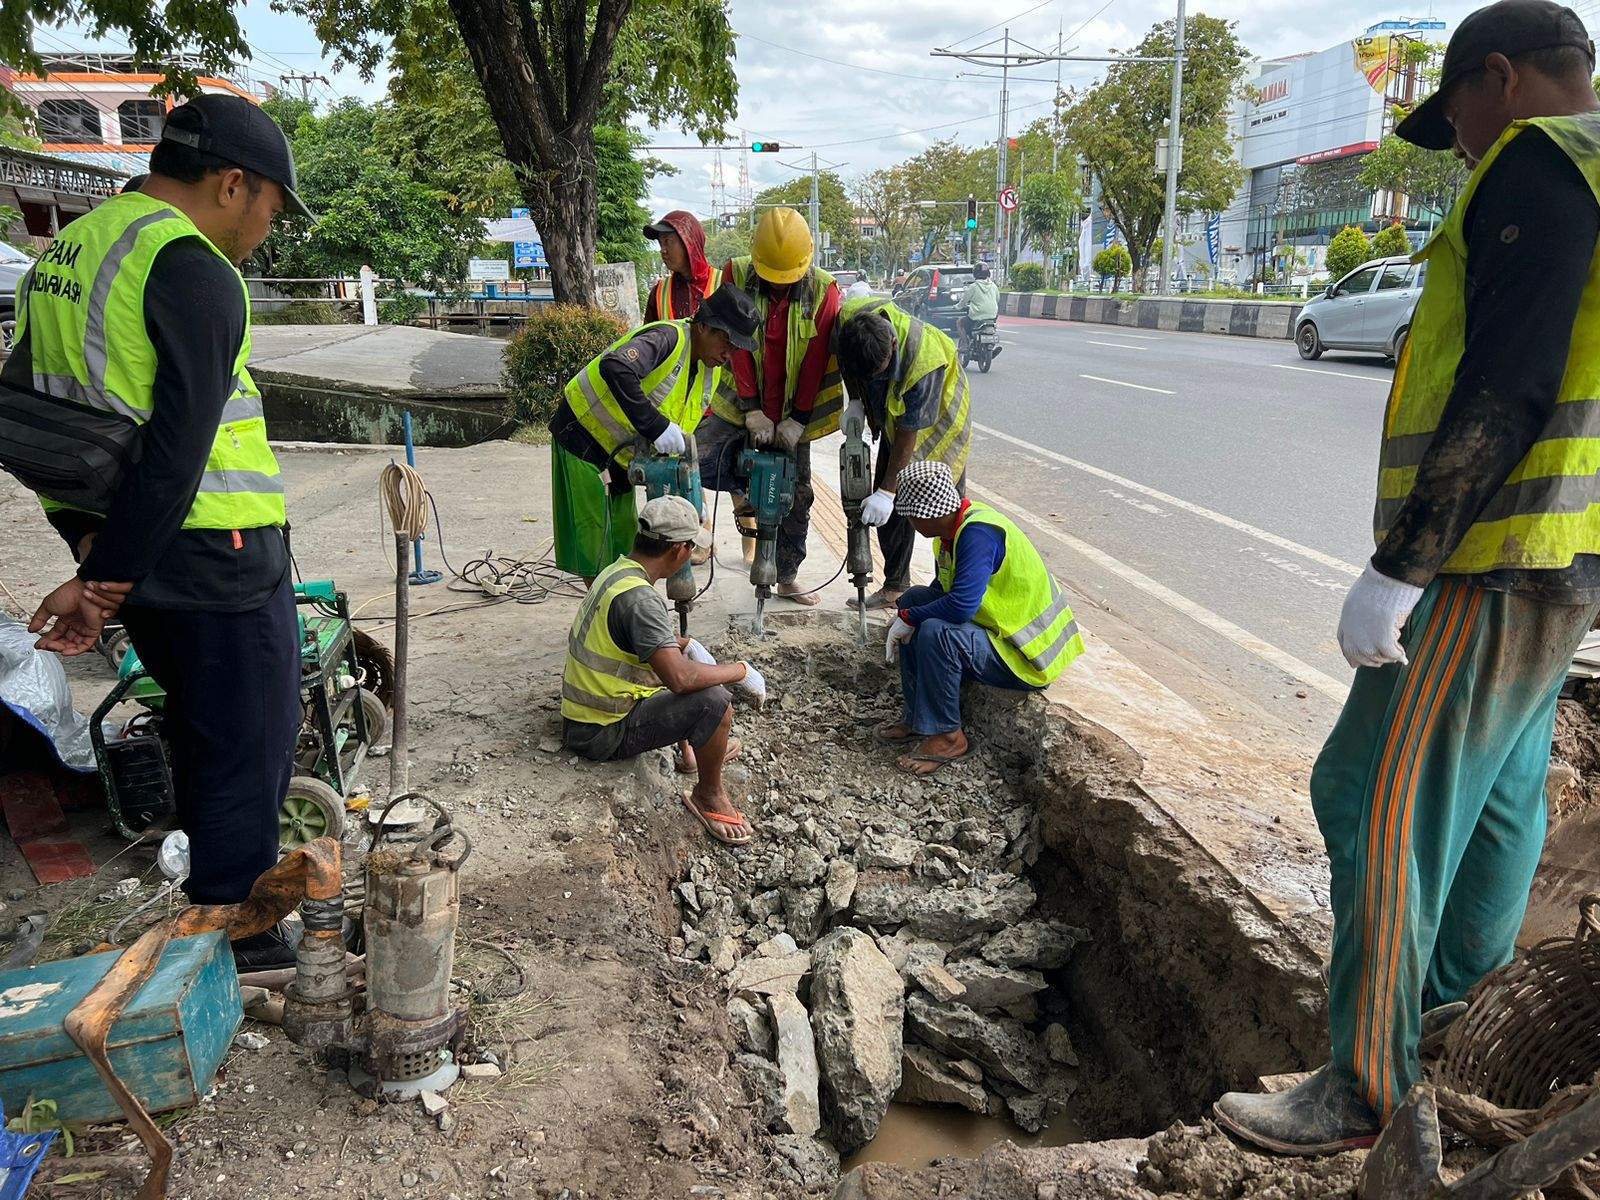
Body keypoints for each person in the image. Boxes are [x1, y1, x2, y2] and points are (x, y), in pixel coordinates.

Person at [1213, 0, 1600, 1155]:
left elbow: (1508, 382)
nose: (1464, 149)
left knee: (1368, 793)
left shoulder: (1537, 164)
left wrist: (1401, 565)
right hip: (1568, 553)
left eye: (1461, 121)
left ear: (1499, 79)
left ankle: (1368, 1088)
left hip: (1491, 556)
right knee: (1498, 795)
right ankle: (1451, 1032)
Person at [14, 94, 314, 970]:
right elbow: (180, 451)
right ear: (232, 184)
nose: (265, 229)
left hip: (136, 552)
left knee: (201, 729)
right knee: (249, 738)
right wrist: (103, 580)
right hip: (217, 551)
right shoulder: (190, 267)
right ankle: (245, 943)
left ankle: (222, 915)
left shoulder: (68, 254)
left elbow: (36, 428)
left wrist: (92, 557)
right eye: (271, 209)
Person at [562, 495, 767, 845]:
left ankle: (694, 754)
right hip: (600, 733)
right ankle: (708, 795)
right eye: (691, 547)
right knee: (715, 701)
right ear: (677, 550)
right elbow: (681, 679)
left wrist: (684, 644)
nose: (691, 554)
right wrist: (740, 670)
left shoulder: (617, 572)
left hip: (584, 717)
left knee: (681, 662)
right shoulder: (641, 601)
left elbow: (641, 645)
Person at [877, 462, 1083, 776]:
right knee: (915, 597)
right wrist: (910, 610)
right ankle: (918, 719)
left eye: (911, 516)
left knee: (936, 631)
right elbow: (943, 591)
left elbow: (960, 608)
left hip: (1027, 656)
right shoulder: (950, 533)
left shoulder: (978, 535)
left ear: (927, 514)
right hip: (1000, 635)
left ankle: (949, 737)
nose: (910, 523)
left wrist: (909, 617)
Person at [549, 283, 760, 582]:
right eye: (725, 341)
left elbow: (679, 439)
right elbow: (616, 366)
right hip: (583, 436)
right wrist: (655, 425)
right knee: (595, 545)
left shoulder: (708, 372)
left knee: (623, 543)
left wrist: (689, 498)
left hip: (620, 457)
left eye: (735, 348)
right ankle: (607, 607)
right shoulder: (667, 338)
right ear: (703, 326)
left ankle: (620, 602)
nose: (728, 354)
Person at [696, 207, 844, 605]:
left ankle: (786, 575)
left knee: (796, 495)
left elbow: (816, 361)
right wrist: (751, 407)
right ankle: (742, 501)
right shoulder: (737, 273)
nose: (778, 285)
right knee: (700, 459)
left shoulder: (824, 291)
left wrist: (798, 418)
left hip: (795, 410)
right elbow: (737, 343)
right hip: (743, 406)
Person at [834, 296, 973, 610]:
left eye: (878, 372)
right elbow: (846, 363)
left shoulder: (925, 361)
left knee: (944, 512)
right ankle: (895, 587)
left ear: (894, 346)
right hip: (896, 415)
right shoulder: (848, 323)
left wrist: (887, 492)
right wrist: (855, 400)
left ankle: (951, 592)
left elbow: (909, 432)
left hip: (939, 422)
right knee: (893, 508)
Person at [643, 211, 720, 322]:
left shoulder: (724, 282)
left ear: (689, 242)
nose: (662, 250)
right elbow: (649, 332)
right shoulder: (659, 292)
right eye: (660, 243)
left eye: (667, 241)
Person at [958, 263, 1000, 359]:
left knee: (960, 322)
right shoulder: (994, 286)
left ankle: (965, 344)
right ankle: (990, 346)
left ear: (975, 274)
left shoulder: (973, 287)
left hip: (977, 316)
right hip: (992, 316)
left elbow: (964, 301)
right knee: (992, 327)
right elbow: (997, 299)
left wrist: (957, 307)